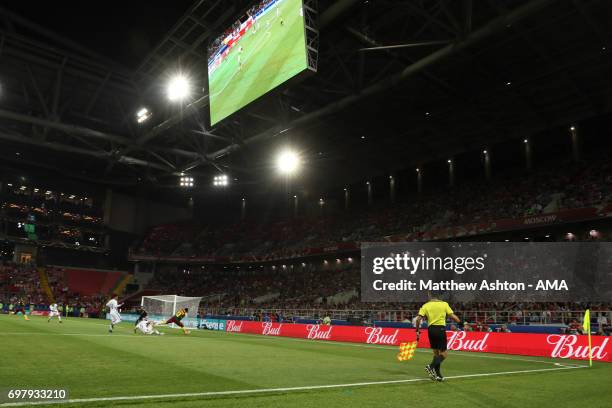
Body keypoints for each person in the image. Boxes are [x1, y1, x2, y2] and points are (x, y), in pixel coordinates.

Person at [415, 295, 462, 382]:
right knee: (444, 354)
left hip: (431, 330)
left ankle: (438, 376)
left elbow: (418, 319)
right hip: (440, 330)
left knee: (436, 354)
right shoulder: (444, 304)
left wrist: (417, 330)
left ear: (430, 296)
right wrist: (460, 323)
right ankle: (430, 367)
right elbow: (452, 316)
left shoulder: (426, 305)